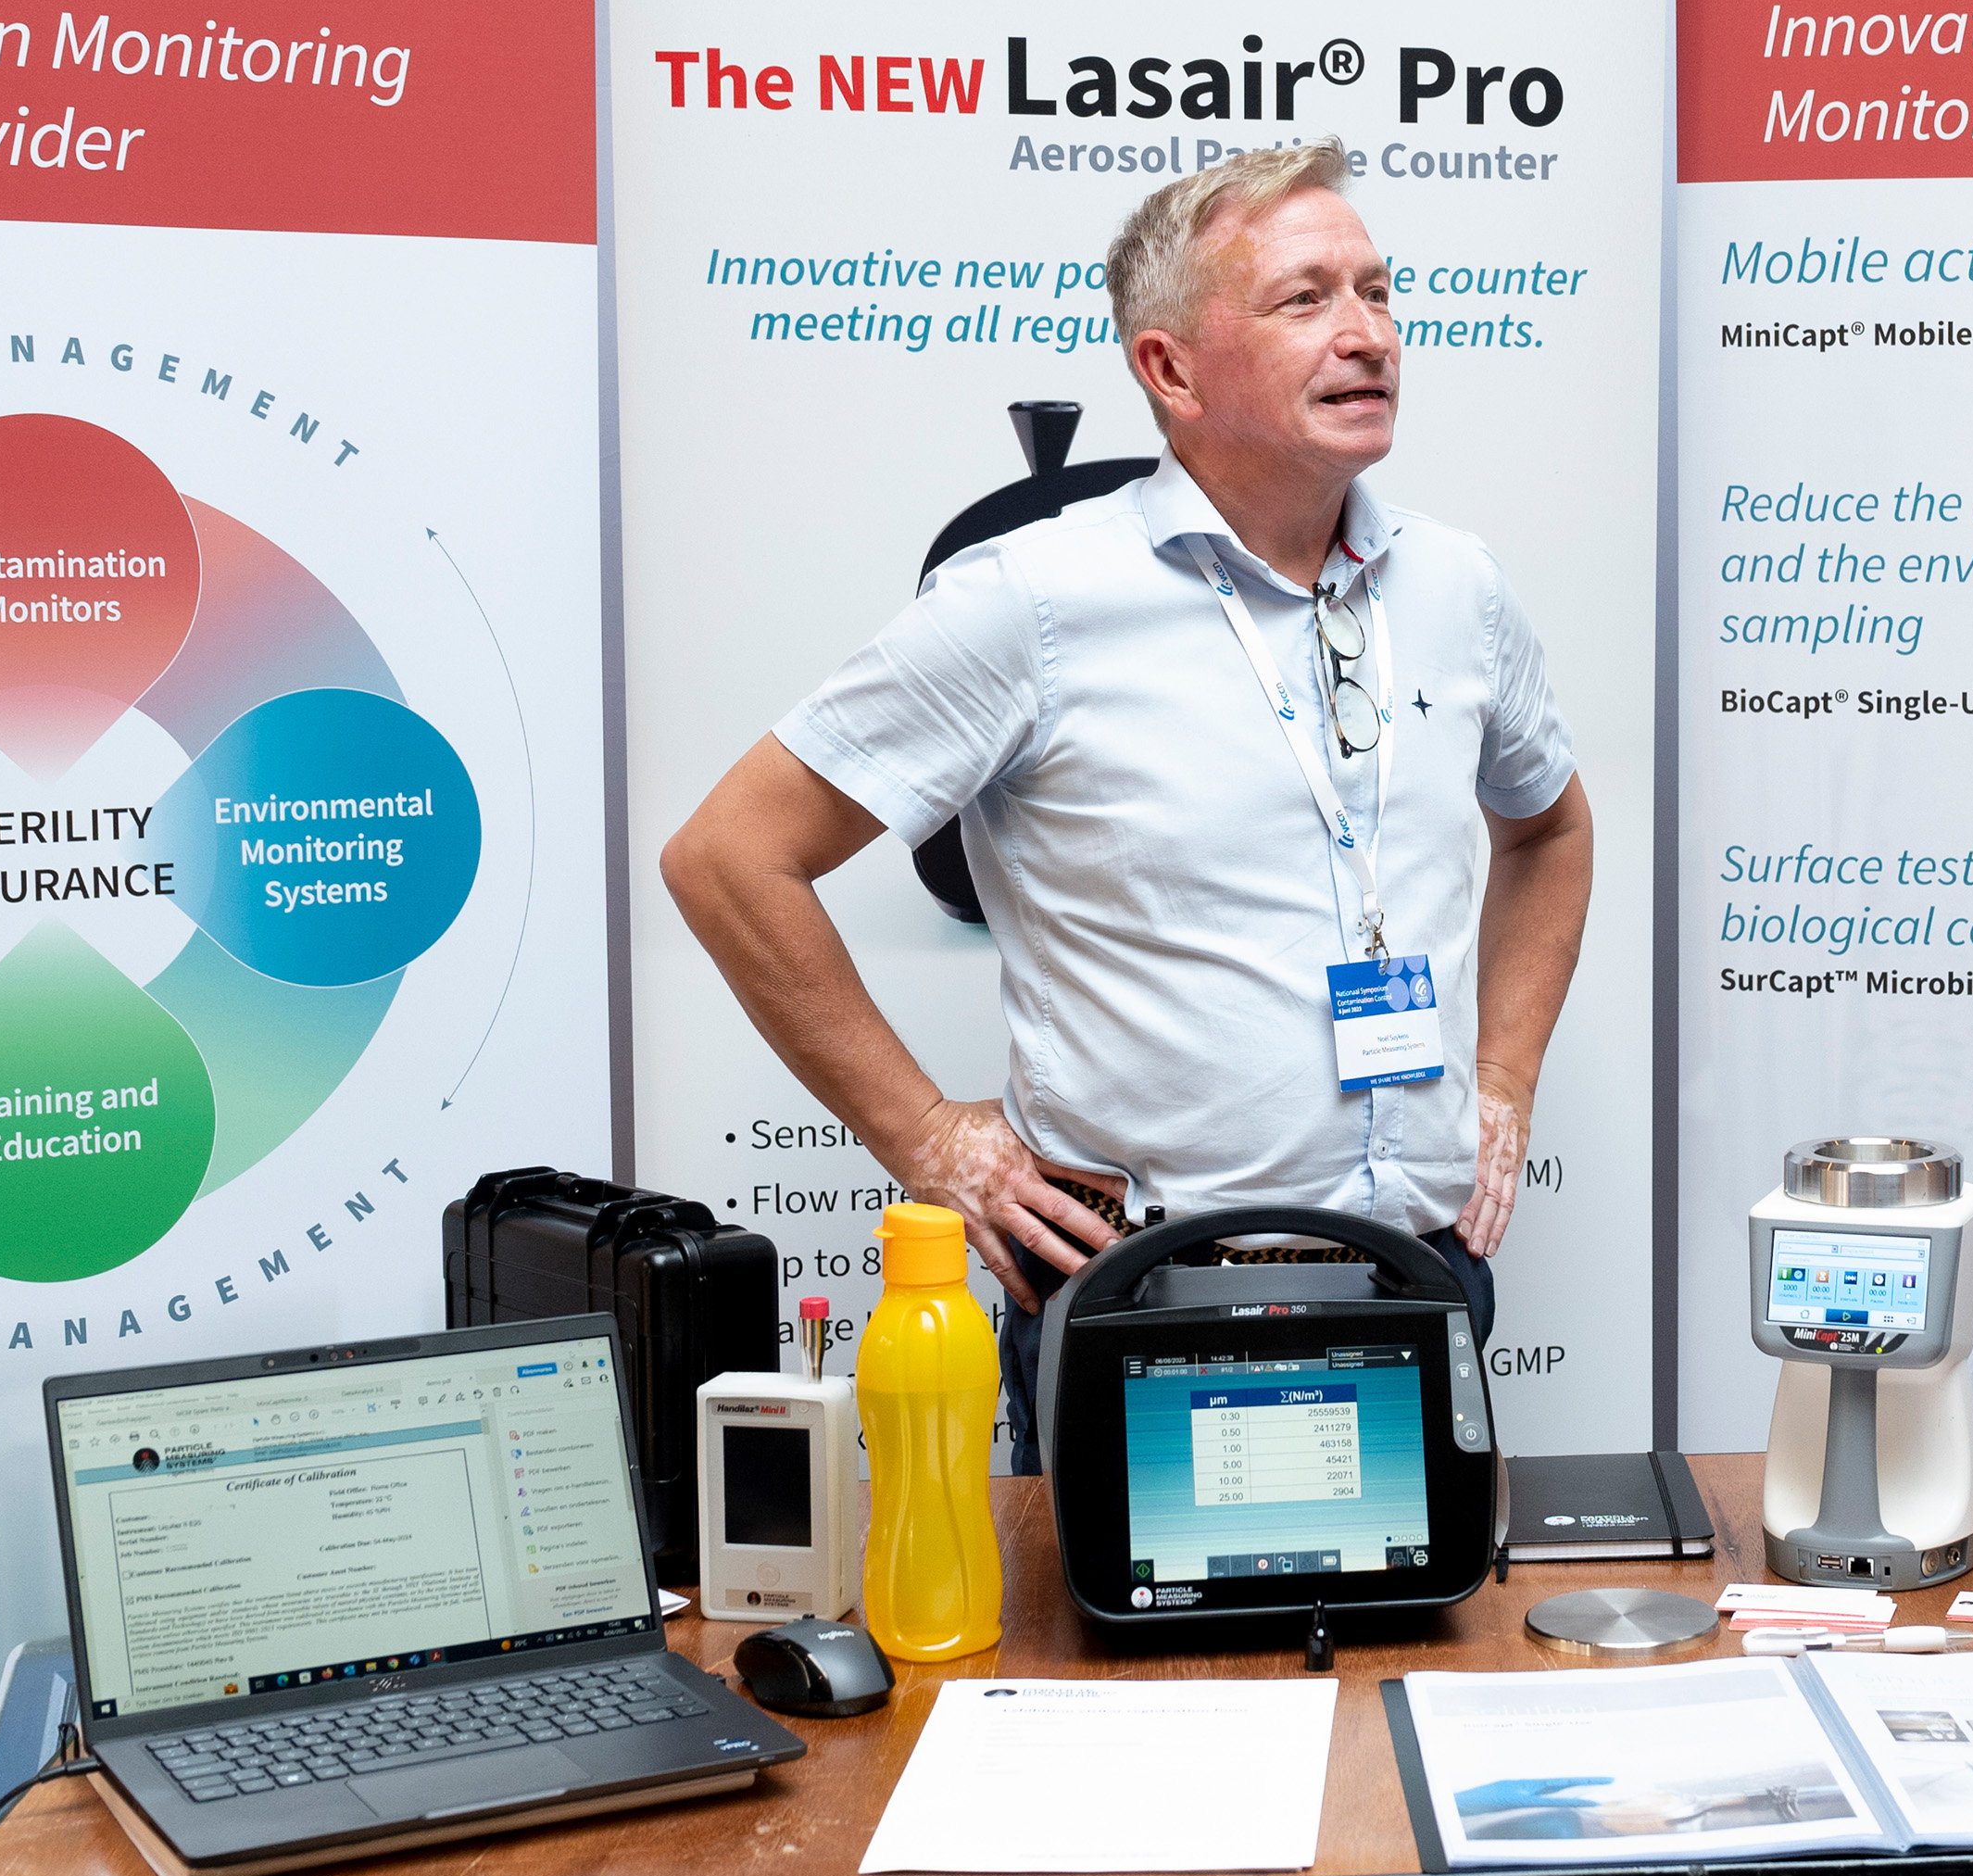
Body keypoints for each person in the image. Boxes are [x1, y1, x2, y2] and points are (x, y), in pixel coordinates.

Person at [660, 143, 1595, 1454]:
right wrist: (929, 1136)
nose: (1367, 333)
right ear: (1170, 368)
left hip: (1417, 1277)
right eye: (1306, 299)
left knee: (1416, 1599)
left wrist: (1503, 1074)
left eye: (1377, 291)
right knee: (1107, 1607)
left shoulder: (1456, 584)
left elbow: (1549, 827)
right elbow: (727, 856)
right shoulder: (1033, 600)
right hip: (1145, 1298)